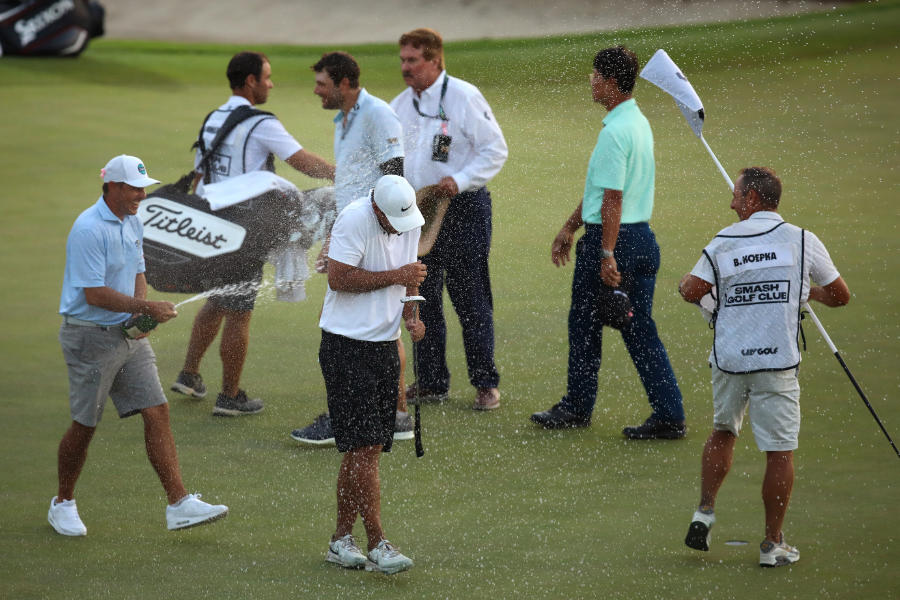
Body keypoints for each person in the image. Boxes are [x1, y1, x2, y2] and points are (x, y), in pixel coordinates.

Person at [679, 166, 849, 567]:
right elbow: (840, 295)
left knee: (723, 431)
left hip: (731, 358)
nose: (732, 201)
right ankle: (773, 544)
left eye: (737, 195)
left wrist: (721, 293)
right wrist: (807, 293)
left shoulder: (723, 240)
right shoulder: (803, 239)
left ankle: (704, 511)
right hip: (777, 360)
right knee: (779, 451)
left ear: (753, 199)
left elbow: (690, 290)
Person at [51, 155, 229, 536]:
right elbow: (95, 294)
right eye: (134, 188)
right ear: (112, 187)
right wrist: (144, 308)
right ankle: (62, 502)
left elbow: (138, 271)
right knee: (85, 425)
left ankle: (178, 503)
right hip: (89, 337)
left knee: (157, 411)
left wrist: (141, 319)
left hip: (126, 335)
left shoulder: (132, 220)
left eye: (143, 188)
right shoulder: (88, 229)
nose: (140, 195)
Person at [530, 46, 686, 438]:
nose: (591, 80)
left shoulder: (615, 133)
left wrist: (605, 252)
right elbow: (601, 192)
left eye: (596, 75)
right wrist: (569, 227)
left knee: (583, 324)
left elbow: (612, 199)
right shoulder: (637, 122)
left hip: (616, 240)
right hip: (641, 239)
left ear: (612, 83)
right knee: (638, 327)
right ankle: (669, 413)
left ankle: (577, 407)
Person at [170, 50, 335, 416]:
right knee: (239, 312)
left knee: (219, 298)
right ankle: (230, 396)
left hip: (211, 223)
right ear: (250, 81)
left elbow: (200, 175)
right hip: (244, 227)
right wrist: (343, 175)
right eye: (267, 77)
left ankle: (189, 373)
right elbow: (303, 162)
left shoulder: (213, 118)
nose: (271, 84)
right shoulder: (261, 123)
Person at [291, 51, 413, 445]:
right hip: (355, 226)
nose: (316, 91)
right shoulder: (344, 118)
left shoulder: (377, 114)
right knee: (375, 320)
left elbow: (395, 174)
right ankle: (393, 413)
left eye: (322, 84)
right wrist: (335, 232)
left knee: (363, 321)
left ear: (344, 83)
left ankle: (367, 414)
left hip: (374, 227)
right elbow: (350, 183)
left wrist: (376, 230)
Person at [390, 27, 508, 411]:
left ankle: (486, 384)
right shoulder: (399, 105)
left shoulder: (463, 95)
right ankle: (432, 382)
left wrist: (459, 180)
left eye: (413, 60)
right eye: (403, 59)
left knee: (470, 298)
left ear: (435, 60)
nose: (405, 67)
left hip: (463, 208)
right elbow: (390, 159)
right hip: (417, 212)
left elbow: (495, 150)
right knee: (423, 299)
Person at [319, 174, 425, 574]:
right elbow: (339, 279)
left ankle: (340, 539)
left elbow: (412, 278)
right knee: (366, 450)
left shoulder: (407, 218)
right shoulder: (353, 219)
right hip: (345, 347)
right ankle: (378, 543)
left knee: (363, 450)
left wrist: (413, 317)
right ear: (376, 207)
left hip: (384, 347)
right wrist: (396, 278)